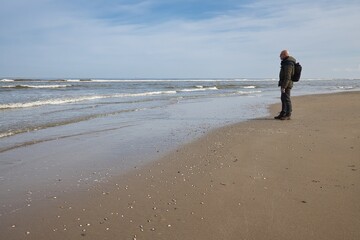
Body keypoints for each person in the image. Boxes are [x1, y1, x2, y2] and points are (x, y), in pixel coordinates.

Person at [274, 50, 296, 120]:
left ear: (284, 54)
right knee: (283, 98)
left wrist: (284, 86)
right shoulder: (286, 62)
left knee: (286, 99)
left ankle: (288, 114)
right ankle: (283, 112)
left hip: (287, 84)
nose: (280, 57)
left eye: (280, 55)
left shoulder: (288, 63)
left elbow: (288, 76)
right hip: (284, 83)